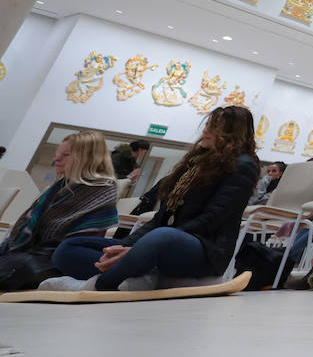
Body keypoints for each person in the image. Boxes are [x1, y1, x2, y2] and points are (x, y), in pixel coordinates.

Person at [45, 106, 259, 292]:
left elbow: (211, 219)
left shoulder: (243, 165)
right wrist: (125, 246)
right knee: (69, 247)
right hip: (160, 242)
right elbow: (160, 218)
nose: (204, 130)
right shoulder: (194, 163)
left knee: (162, 236)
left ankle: (98, 284)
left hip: (205, 251)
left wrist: (136, 250)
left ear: (230, 133)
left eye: (213, 126)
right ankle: (135, 276)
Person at [0, 131, 118, 291]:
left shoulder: (101, 189)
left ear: (85, 157)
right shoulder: (62, 186)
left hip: (57, 260)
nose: (56, 159)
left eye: (65, 155)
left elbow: (68, 242)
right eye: (58, 154)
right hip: (38, 255)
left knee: (20, 264)